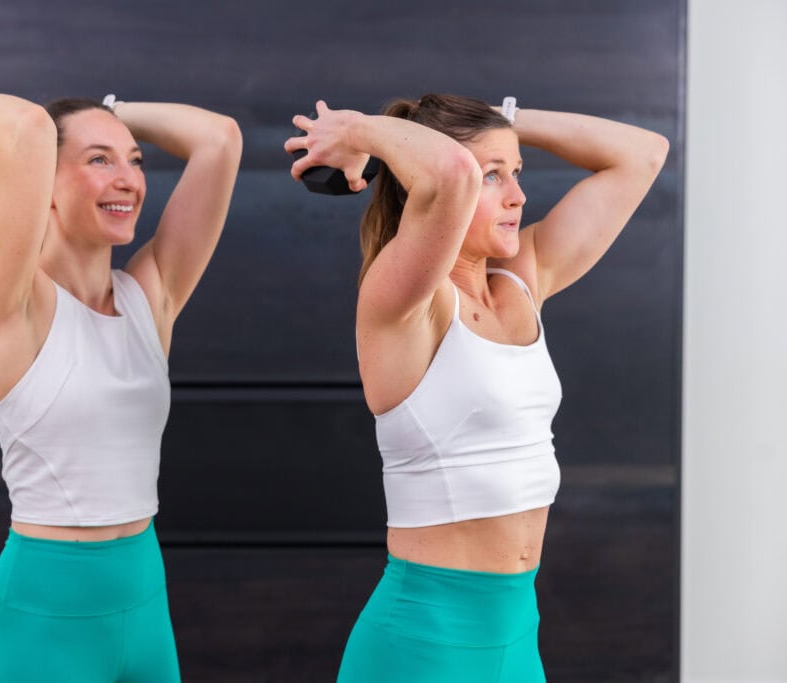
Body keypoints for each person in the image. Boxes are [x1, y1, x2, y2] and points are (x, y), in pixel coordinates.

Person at [285, 95, 668, 682]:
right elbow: (450, 174)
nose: (517, 196)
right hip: (423, 646)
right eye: (495, 176)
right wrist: (363, 130)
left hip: (516, 642)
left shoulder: (522, 281)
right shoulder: (405, 300)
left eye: (517, 173)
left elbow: (641, 154)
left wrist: (498, 119)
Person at [0, 93, 241, 682]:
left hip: (144, 598)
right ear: (43, 183)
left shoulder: (150, 298)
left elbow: (220, 139)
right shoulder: (10, 301)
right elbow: (29, 128)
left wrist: (107, 111)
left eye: (135, 160)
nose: (129, 180)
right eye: (99, 160)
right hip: (45, 616)